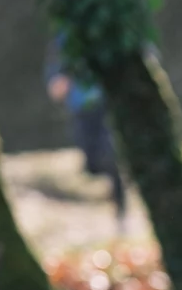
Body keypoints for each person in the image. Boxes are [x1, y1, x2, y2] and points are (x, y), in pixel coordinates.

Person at [45, 39, 125, 220]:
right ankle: (116, 190)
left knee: (109, 153)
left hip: (105, 103)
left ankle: (120, 205)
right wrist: (56, 81)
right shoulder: (64, 36)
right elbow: (54, 70)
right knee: (92, 163)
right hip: (80, 106)